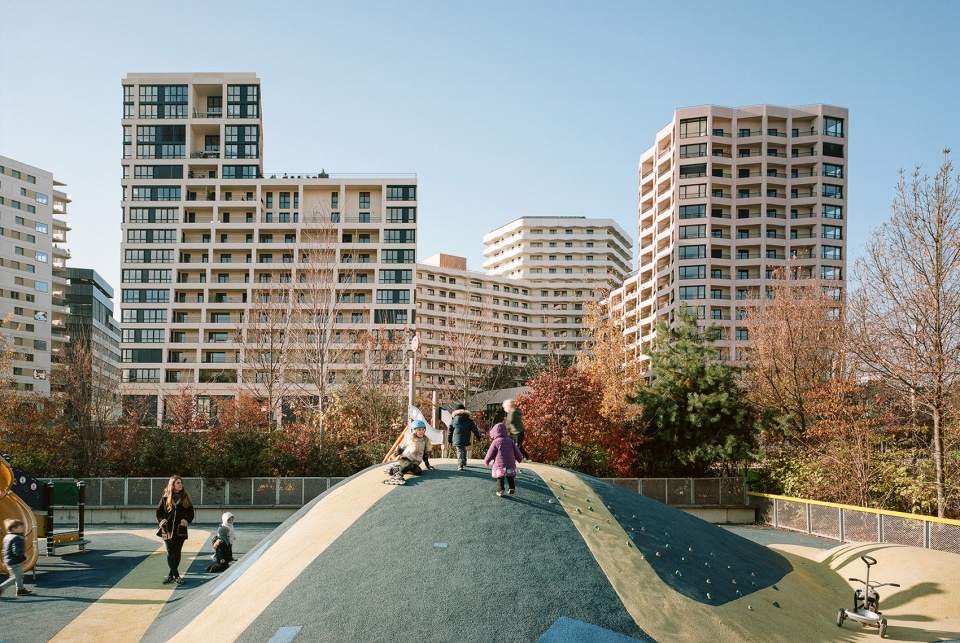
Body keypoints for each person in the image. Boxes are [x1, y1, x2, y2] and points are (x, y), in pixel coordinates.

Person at [156, 474, 195, 585]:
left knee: (177, 554)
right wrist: (162, 520)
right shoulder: (165, 498)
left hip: (180, 530)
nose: (180, 484)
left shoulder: (186, 497)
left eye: (181, 483)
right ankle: (177, 576)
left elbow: (191, 514)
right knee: (170, 553)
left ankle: (170, 575)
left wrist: (186, 521)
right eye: (178, 483)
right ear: (172, 484)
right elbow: (158, 513)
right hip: (167, 530)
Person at [383, 420, 435, 485]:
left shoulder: (424, 441)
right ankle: (398, 475)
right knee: (409, 465)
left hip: (415, 462)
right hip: (405, 459)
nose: (421, 431)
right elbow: (401, 448)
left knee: (418, 471)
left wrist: (428, 466)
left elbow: (424, 454)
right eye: (419, 430)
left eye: (423, 429)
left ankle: (396, 468)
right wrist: (395, 454)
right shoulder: (410, 439)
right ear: (414, 430)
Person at [484, 422, 524, 497]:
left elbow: (490, 452)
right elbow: (516, 451)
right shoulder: (510, 440)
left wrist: (487, 461)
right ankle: (511, 487)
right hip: (510, 463)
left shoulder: (495, 442)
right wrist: (520, 459)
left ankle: (501, 490)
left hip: (500, 464)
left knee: (500, 476)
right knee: (510, 475)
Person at [0, 519, 31, 597]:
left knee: (19, 575)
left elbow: (4, 550)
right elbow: (17, 551)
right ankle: (1, 587)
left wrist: (4, 559)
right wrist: (23, 558)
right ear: (13, 528)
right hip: (14, 560)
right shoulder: (16, 538)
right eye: (20, 528)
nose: (21, 529)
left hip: (8, 559)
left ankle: (20, 589)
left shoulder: (7, 537)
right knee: (16, 576)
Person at [447, 403, 481, 471]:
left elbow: (450, 431)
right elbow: (474, 429)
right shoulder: (469, 420)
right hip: (466, 437)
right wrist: (478, 436)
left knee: (459, 450)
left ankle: (460, 464)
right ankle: (464, 461)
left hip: (457, 438)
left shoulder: (454, 420)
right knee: (464, 448)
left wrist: (449, 440)